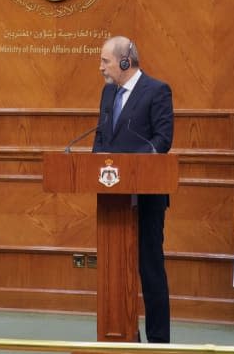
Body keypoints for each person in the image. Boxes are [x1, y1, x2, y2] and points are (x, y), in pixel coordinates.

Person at [92, 36, 174, 343]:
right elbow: (101, 138)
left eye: (105, 61)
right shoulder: (107, 93)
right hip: (113, 198)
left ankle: (158, 343)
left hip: (147, 198)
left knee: (150, 270)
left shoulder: (157, 91)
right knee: (115, 270)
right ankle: (121, 337)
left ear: (126, 61)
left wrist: (130, 167)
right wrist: (95, 162)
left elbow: (163, 140)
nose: (101, 67)